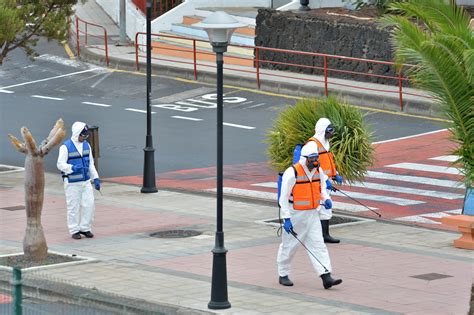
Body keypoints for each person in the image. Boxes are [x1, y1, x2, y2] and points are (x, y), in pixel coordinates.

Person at [277, 145, 342, 289]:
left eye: (316, 158)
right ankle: (283, 274)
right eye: (312, 158)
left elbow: (322, 188)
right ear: (304, 159)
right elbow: (283, 197)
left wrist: (326, 199)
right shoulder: (292, 172)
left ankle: (326, 276)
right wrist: (286, 218)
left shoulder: (318, 171)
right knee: (289, 246)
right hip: (295, 215)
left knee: (318, 245)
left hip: (312, 214)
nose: (315, 161)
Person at [57, 122, 100, 240]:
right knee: (73, 207)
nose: (85, 138)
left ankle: (85, 228)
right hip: (72, 182)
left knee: (89, 204)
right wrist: (71, 168)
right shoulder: (65, 147)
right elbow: (60, 164)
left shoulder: (87, 145)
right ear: (77, 134)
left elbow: (90, 163)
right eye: (83, 135)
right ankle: (74, 229)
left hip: (86, 181)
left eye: (86, 136)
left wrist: (95, 177)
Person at [302, 117, 342, 243]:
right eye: (330, 130)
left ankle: (324, 235)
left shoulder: (326, 143)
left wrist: (335, 174)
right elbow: (313, 167)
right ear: (322, 130)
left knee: (325, 208)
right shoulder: (312, 145)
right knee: (316, 208)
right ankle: (310, 234)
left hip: (325, 181)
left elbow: (327, 162)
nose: (332, 132)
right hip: (316, 182)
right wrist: (325, 180)